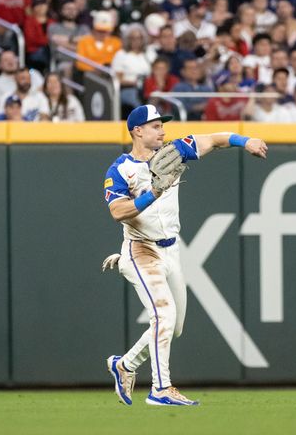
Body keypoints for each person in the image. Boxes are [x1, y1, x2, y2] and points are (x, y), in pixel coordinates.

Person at [101, 105, 267, 406]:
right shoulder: (120, 169)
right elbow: (117, 212)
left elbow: (216, 139)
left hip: (171, 249)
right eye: (155, 126)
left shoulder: (175, 151)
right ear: (138, 131)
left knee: (173, 327)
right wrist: (152, 193)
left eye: (162, 126)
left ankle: (124, 365)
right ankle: (161, 389)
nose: (163, 131)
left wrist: (247, 141)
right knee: (163, 316)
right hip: (141, 249)